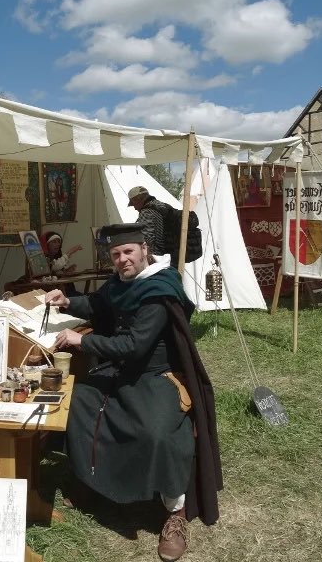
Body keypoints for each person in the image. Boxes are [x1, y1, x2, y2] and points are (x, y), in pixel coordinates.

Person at [45, 223, 222, 562]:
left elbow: (136, 345)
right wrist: (67, 300)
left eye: (128, 252)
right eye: (116, 255)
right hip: (120, 369)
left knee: (158, 434)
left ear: (144, 250)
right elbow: (99, 302)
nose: (122, 260)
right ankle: (92, 480)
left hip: (157, 374)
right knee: (78, 403)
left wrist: (82, 340)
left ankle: (175, 512)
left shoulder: (158, 289)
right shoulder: (121, 283)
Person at [127, 186, 170, 256]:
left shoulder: (146, 212)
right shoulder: (161, 206)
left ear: (138, 200)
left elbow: (147, 239)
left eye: (134, 204)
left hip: (158, 255)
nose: (135, 208)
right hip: (171, 253)